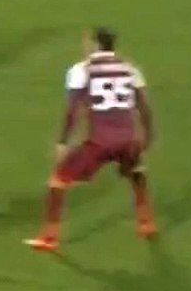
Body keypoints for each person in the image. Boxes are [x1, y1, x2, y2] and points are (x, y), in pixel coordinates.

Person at [24, 28, 157, 253]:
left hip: (99, 141)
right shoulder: (130, 69)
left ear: (95, 45)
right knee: (135, 170)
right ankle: (146, 223)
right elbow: (144, 107)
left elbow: (73, 109)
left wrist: (63, 142)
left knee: (58, 181)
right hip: (128, 138)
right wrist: (149, 137)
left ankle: (49, 237)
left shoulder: (81, 70)